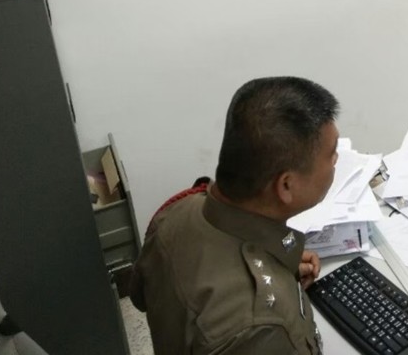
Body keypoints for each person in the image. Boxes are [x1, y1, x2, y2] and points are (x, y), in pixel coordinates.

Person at [130, 77, 340, 354]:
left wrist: (279, 268)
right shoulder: (265, 330)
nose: (336, 160)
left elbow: (139, 296)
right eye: (332, 154)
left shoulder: (176, 213)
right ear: (286, 186)